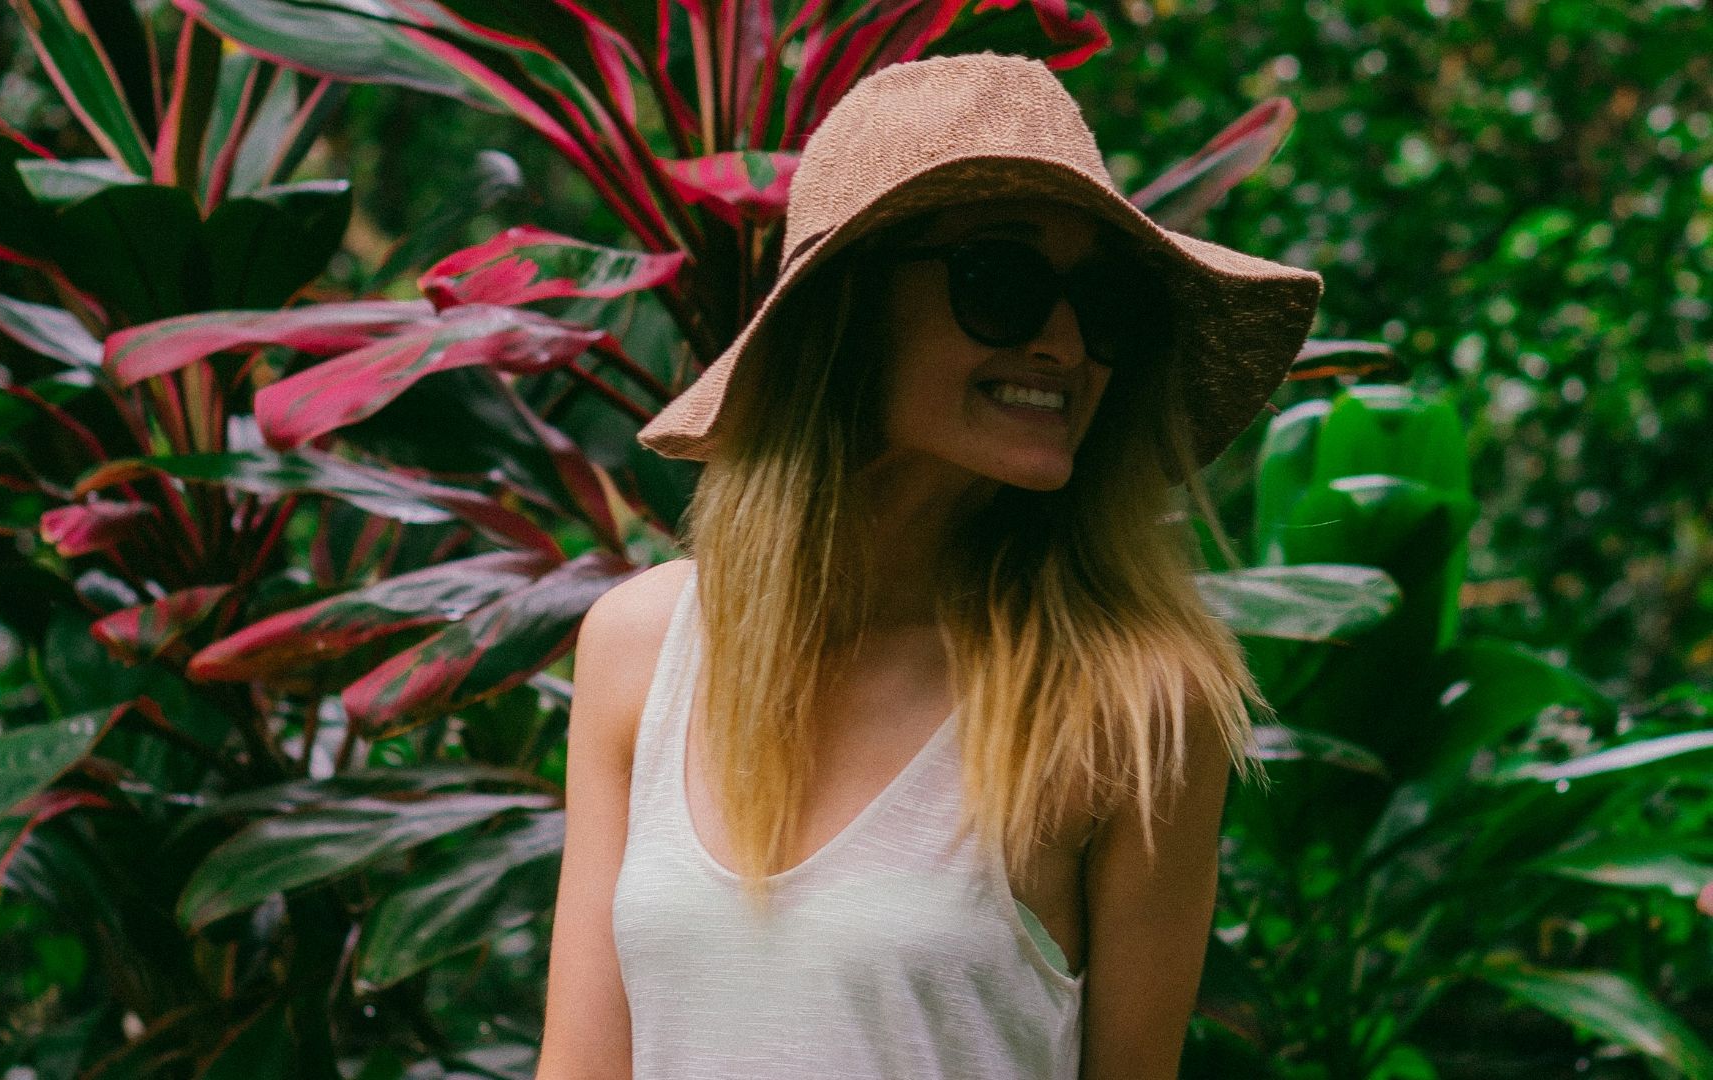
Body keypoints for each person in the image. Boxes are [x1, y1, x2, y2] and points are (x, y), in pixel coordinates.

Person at [535, 52, 1323, 1080]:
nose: (1067, 341)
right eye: (1004, 283)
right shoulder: (641, 649)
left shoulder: (1128, 701)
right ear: (850, 312)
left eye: (1105, 304)